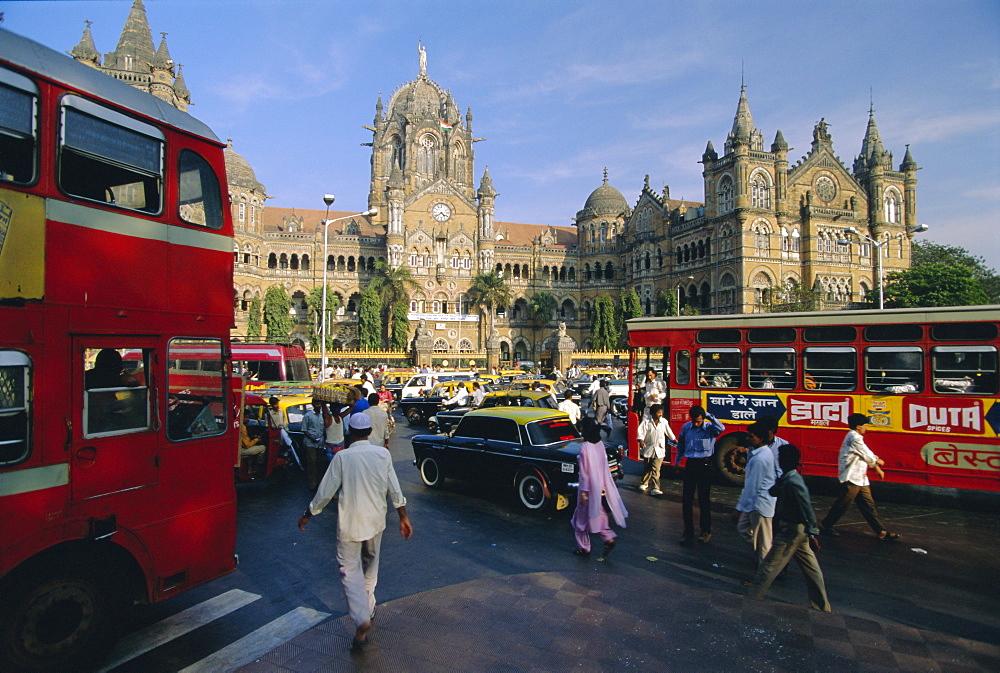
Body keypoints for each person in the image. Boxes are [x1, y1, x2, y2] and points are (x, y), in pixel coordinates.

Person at [298, 414, 413, 649]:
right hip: (375, 522)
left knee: (349, 572)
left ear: (350, 432)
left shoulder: (342, 457)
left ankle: (362, 618)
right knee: (371, 567)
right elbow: (394, 487)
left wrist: (309, 514)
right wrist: (403, 516)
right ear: (370, 431)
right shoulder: (382, 454)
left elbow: (325, 492)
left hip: (349, 524)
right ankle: (368, 609)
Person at [747, 443, 831, 612]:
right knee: (812, 569)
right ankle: (822, 606)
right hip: (799, 533)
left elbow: (806, 509)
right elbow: (773, 492)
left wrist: (813, 533)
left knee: (768, 567)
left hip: (790, 532)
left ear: (784, 461)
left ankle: (751, 600)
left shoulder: (794, 482)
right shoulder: (788, 479)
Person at [820, 413, 901, 541]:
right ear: (858, 426)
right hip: (851, 477)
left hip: (860, 478)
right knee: (843, 504)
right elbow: (867, 454)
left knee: (868, 505)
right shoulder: (854, 438)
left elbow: (865, 455)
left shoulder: (855, 437)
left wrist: (877, 467)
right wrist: (878, 461)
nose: (867, 428)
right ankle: (826, 525)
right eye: (865, 425)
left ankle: (881, 531)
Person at [571, 418, 628, 557]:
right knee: (599, 514)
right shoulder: (600, 445)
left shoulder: (585, 448)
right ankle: (608, 537)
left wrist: (584, 492)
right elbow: (603, 467)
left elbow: (584, 473)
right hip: (600, 486)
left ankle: (584, 547)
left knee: (579, 520)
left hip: (588, 488)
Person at [735, 421, 779, 580]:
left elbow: (752, 486)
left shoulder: (761, 458)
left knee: (764, 545)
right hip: (755, 504)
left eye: (751, 436)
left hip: (760, 504)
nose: (748, 438)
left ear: (760, 439)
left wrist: (739, 508)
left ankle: (765, 576)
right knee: (744, 530)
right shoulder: (759, 454)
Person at [676, 405, 725, 543]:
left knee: (703, 500)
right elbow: (681, 446)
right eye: (695, 421)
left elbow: (721, 428)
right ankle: (688, 532)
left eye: (699, 421)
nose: (697, 424)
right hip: (691, 464)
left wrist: (708, 415)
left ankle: (705, 530)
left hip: (705, 465)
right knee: (687, 500)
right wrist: (677, 462)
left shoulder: (710, 428)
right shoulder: (686, 428)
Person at [636, 404, 675, 496]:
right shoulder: (646, 422)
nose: (660, 414)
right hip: (648, 448)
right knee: (648, 468)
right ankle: (644, 483)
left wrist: (674, 439)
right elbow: (640, 433)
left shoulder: (664, 422)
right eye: (658, 412)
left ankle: (655, 488)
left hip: (659, 450)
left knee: (656, 469)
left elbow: (669, 432)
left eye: (661, 412)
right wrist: (641, 441)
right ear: (653, 413)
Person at [301, 399, 331, 490]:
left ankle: (320, 482)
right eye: (317, 404)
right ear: (313, 405)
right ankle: (312, 483)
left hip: (320, 442)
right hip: (310, 443)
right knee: (312, 463)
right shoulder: (308, 416)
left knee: (319, 463)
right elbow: (304, 430)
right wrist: (312, 438)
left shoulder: (323, 415)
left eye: (320, 404)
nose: (318, 406)